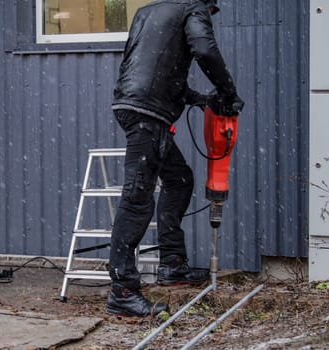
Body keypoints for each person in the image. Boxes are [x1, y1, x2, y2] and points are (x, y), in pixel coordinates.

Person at [106, 0, 244, 317]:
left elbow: (150, 67)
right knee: (137, 196)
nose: (209, 16)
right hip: (147, 112)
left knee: (179, 180)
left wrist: (204, 99)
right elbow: (205, 50)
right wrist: (227, 92)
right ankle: (122, 290)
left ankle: (172, 265)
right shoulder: (191, 9)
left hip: (134, 104)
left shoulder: (147, 13)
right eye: (211, 12)